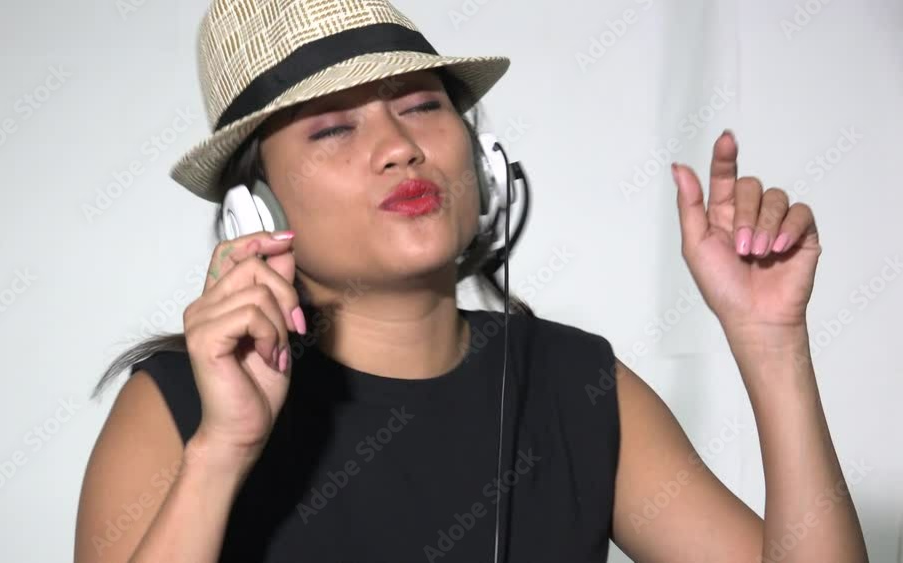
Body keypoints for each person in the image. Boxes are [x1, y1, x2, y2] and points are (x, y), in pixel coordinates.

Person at [74, 0, 869, 562]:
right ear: (255, 211)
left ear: (483, 162)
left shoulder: (578, 386)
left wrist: (772, 345)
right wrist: (222, 452)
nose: (398, 146)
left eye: (422, 106)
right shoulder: (179, 406)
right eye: (334, 127)